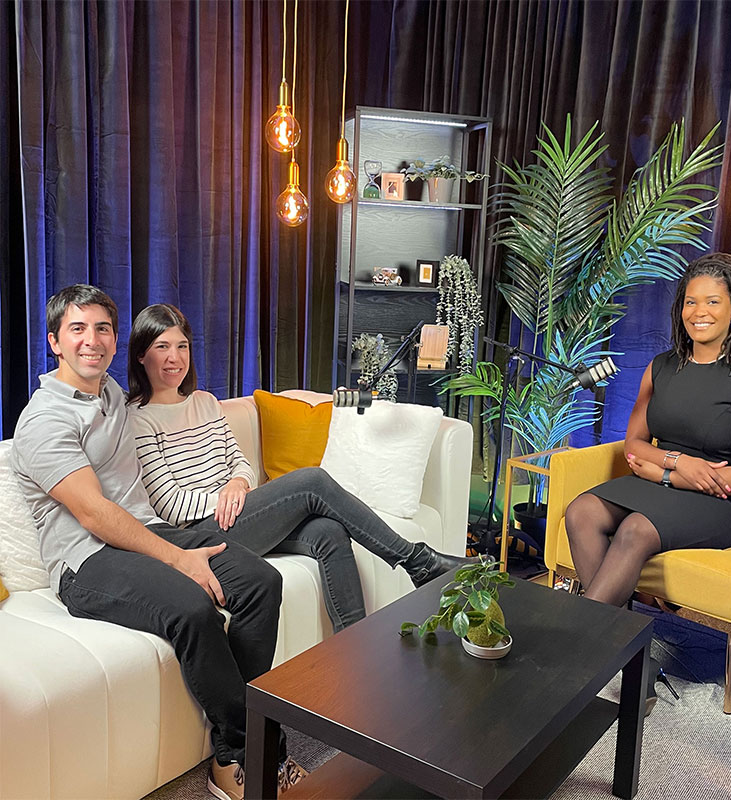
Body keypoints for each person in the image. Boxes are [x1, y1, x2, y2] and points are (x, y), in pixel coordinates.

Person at [11, 285, 291, 800]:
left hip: (150, 533)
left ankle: (246, 736)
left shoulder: (114, 396)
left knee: (262, 582)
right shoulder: (43, 421)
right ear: (53, 342)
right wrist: (178, 557)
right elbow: (94, 513)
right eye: (77, 329)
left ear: (116, 341)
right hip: (86, 561)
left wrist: (225, 485)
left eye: (102, 329)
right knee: (192, 607)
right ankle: (236, 755)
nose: (91, 340)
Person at [126, 303, 476, 634]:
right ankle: (417, 561)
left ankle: (354, 647)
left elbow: (240, 461)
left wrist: (237, 483)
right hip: (199, 534)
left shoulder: (205, 403)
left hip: (236, 512)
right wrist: (227, 500)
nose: (174, 358)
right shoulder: (138, 419)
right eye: (161, 347)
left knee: (327, 530)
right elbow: (168, 504)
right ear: (141, 355)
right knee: (312, 481)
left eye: (182, 346)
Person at [564, 252, 731, 709]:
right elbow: (634, 447)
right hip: (674, 479)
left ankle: (572, 655)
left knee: (636, 529)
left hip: (724, 503)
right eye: (690, 302)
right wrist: (675, 466)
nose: (699, 313)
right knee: (580, 510)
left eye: (713, 302)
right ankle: (635, 666)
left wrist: (668, 471)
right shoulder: (660, 367)